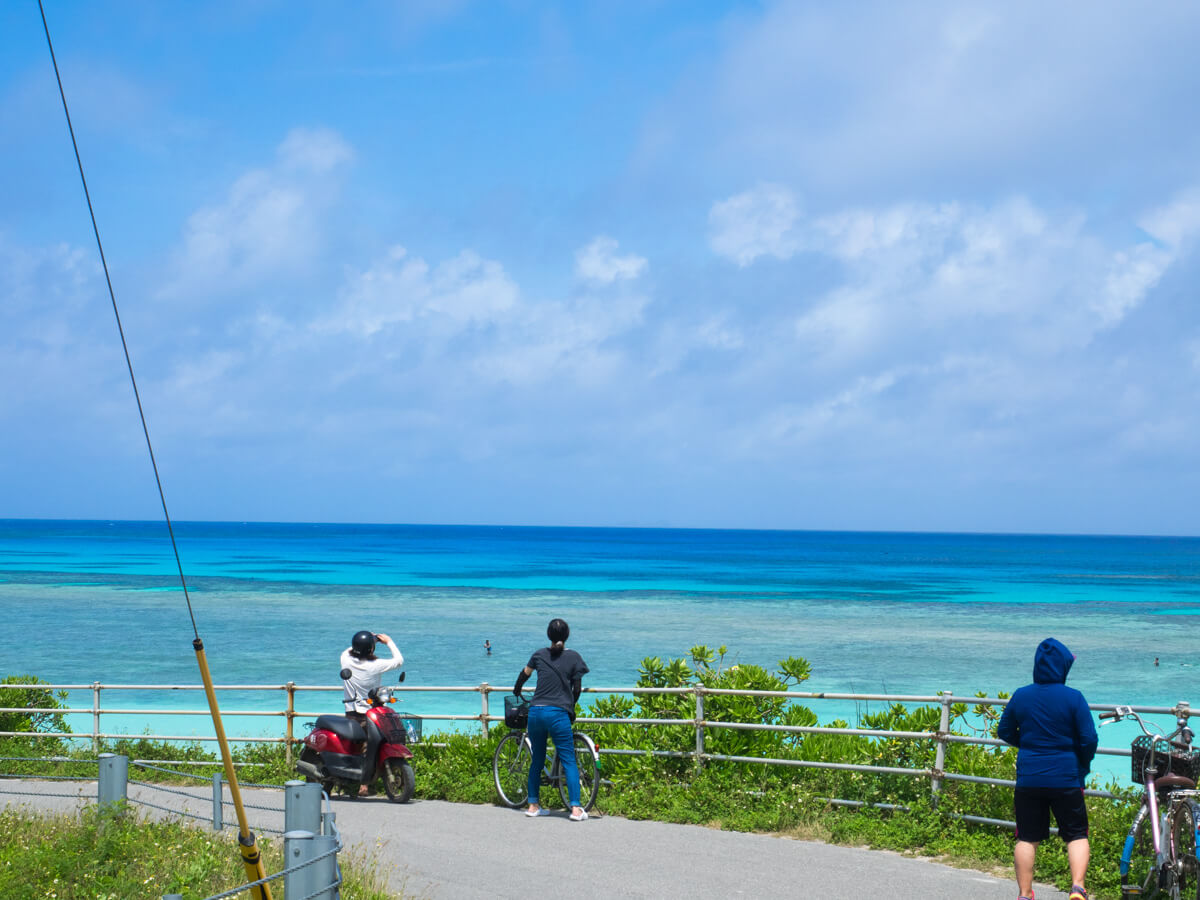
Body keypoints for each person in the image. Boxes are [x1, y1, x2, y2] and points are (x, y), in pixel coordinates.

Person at [997, 638, 1097, 900]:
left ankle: (1025, 894)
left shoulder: (1021, 695)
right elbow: (1089, 739)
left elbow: (1004, 731)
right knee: (1075, 835)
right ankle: (1077, 888)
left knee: (1027, 837)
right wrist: (1081, 763)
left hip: (1029, 777)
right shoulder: (1074, 698)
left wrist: (1028, 745)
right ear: (1062, 668)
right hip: (1066, 777)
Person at [513, 618, 589, 821]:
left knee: (537, 759)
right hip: (557, 714)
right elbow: (577, 688)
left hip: (536, 712)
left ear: (549, 635)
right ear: (567, 635)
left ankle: (533, 806)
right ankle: (575, 809)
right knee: (569, 760)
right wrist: (570, 707)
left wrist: (517, 689)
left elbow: (524, 674)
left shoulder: (539, 654)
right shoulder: (574, 657)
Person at [340, 630, 404, 723]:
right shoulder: (376, 664)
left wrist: (367, 640)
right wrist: (388, 641)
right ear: (371, 649)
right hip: (373, 711)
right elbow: (399, 661)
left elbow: (353, 648)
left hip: (351, 711)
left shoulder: (345, 659)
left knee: (354, 737)